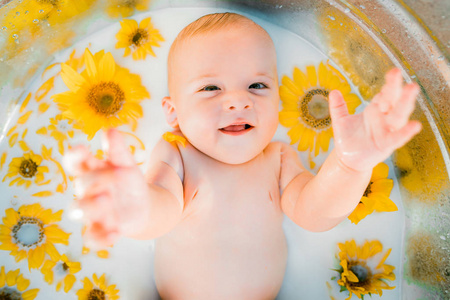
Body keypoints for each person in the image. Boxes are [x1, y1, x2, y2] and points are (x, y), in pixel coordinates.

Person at [67, 12, 422, 299]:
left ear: (278, 103)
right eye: (210, 88)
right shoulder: (178, 155)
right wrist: (136, 206)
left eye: (257, 85)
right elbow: (161, 212)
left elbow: (315, 215)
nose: (238, 100)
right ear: (173, 113)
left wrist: (349, 164)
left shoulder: (279, 158)